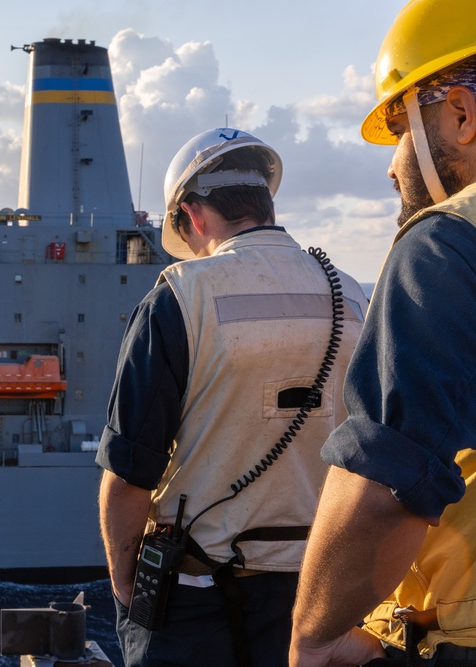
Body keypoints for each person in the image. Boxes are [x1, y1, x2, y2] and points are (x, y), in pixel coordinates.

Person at [97, 128, 368, 667]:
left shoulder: (179, 297)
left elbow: (128, 479)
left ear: (194, 217)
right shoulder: (355, 297)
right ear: (266, 201)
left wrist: (129, 590)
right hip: (316, 590)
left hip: (193, 597)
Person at [289, 1, 476, 665]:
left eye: (400, 128)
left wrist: (313, 637)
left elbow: (384, 494)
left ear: (461, 114)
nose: (393, 165)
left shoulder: (446, 246)